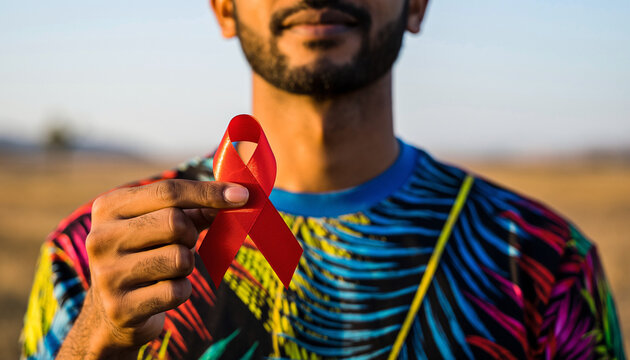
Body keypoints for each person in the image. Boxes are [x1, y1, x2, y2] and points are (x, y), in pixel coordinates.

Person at [20, 0, 625, 359]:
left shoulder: (545, 262)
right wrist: (95, 339)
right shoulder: (92, 259)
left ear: (417, 3)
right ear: (223, 7)